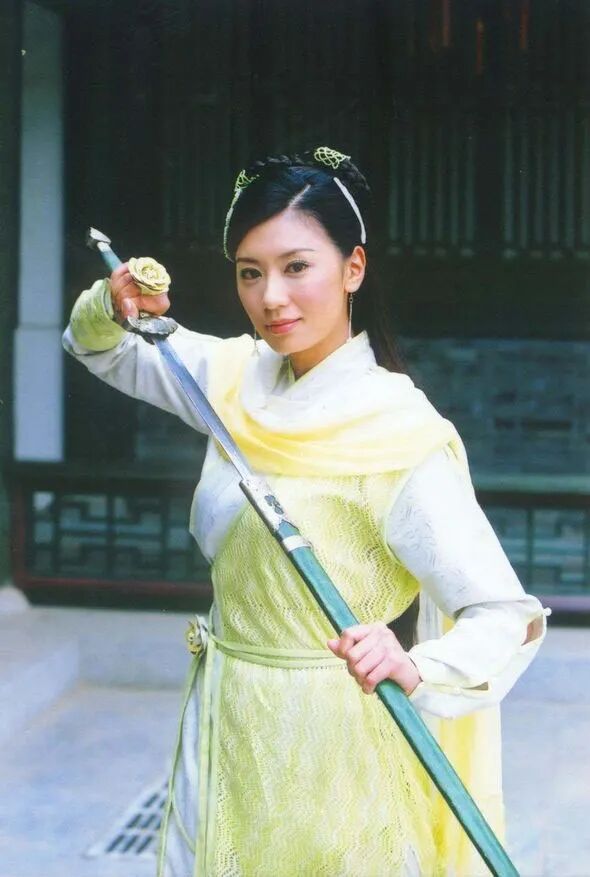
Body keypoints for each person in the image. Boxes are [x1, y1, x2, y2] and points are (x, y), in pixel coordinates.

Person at [63, 146, 547, 877]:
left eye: (296, 267)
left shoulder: (398, 432)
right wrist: (112, 303)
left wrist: (416, 663)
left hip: (341, 743)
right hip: (227, 727)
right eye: (249, 272)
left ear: (353, 268)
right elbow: (102, 350)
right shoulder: (233, 378)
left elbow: (504, 613)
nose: (271, 298)